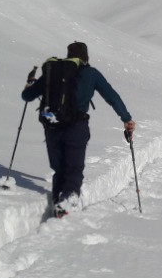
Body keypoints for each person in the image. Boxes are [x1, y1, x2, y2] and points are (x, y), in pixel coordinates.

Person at [22, 42, 135, 218]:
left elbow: (27, 96)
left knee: (60, 168)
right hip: (76, 126)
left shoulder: (53, 71)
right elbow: (112, 97)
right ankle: (67, 202)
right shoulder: (91, 73)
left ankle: (59, 203)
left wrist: (30, 84)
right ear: (86, 57)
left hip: (52, 125)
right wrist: (126, 119)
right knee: (74, 168)